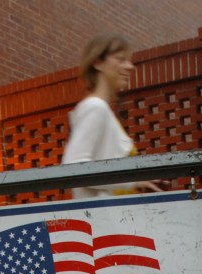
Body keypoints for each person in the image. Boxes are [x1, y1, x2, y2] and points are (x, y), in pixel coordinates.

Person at [62, 34, 162, 199]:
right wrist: (132, 181)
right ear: (97, 62)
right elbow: (74, 166)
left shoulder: (99, 109)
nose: (130, 66)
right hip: (102, 218)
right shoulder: (95, 107)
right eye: (121, 59)